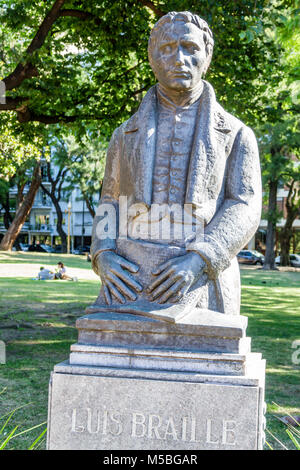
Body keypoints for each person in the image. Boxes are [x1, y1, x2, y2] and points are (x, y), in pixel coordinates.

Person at [90, 11, 262, 318]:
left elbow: (244, 205)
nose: (178, 57)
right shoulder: (123, 135)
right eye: (167, 48)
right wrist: (103, 253)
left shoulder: (236, 135)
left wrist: (199, 259)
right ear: (152, 57)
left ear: (207, 56)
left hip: (203, 279)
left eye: (189, 47)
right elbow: (110, 200)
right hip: (129, 280)